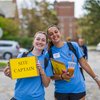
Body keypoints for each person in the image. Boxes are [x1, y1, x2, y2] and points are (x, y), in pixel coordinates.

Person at [47, 25, 100, 100]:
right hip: (61, 91)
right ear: (49, 37)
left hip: (78, 89)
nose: (54, 35)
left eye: (56, 32)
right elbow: (50, 76)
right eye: (51, 34)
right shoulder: (49, 53)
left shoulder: (73, 46)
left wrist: (97, 79)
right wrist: (61, 76)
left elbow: (84, 64)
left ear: (60, 32)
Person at [4, 31, 53, 100]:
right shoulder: (22, 56)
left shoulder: (46, 61)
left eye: (43, 40)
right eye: (38, 39)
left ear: (45, 44)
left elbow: (46, 84)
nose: (40, 42)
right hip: (19, 97)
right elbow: (14, 75)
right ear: (33, 41)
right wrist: (8, 73)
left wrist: (41, 71)